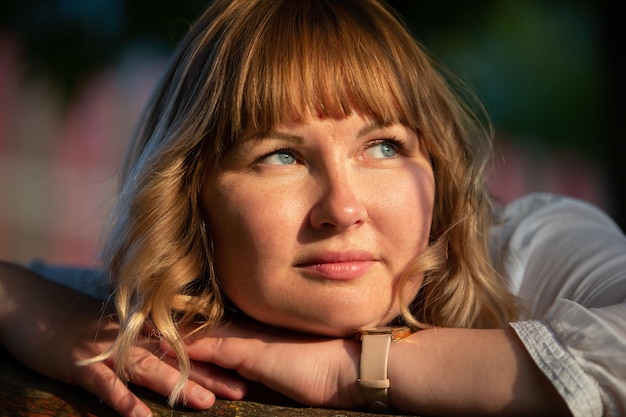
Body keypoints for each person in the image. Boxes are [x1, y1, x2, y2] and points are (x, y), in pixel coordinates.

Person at [0, 0, 624, 416]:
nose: (343, 208)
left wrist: (353, 368)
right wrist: (61, 320)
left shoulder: (526, 249)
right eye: (281, 157)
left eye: (382, 146)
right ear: (190, 204)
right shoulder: (178, 313)